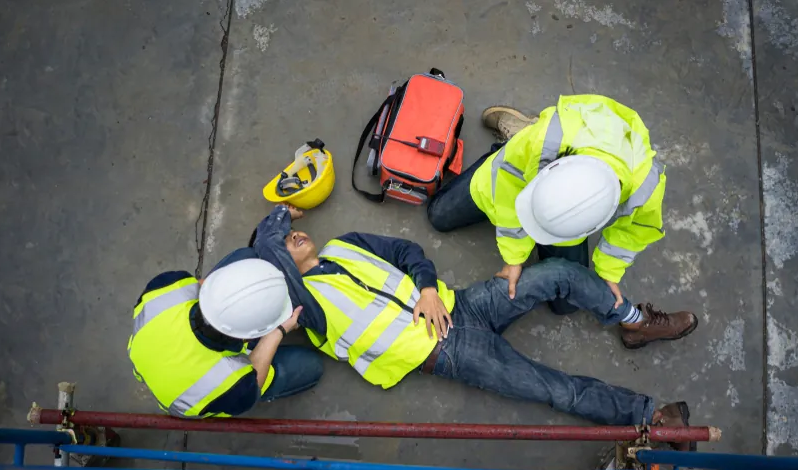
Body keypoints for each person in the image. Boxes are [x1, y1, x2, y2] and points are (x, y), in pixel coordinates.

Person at [251, 204, 697, 450]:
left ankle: (634, 322)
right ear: (280, 268)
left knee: (557, 272)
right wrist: (276, 223)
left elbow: (406, 250)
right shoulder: (303, 309)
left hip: (463, 304)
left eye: (292, 232)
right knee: (556, 390)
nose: (294, 236)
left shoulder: (344, 246)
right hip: (450, 354)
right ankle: (653, 417)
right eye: (285, 243)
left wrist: (426, 289)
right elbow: (277, 255)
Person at [427, 95, 695, 349]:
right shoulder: (543, 142)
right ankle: (517, 136)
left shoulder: (646, 183)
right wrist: (514, 258)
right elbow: (507, 195)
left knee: (566, 305)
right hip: (520, 161)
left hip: (560, 176)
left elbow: (634, 232)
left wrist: (609, 272)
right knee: (439, 215)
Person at [128, 246, 324, 418]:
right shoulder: (230, 384)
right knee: (311, 366)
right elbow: (253, 382)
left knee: (246, 256)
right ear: (250, 336)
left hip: (152, 355)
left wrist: (242, 293)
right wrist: (278, 331)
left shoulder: (166, 286)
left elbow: (202, 285)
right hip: (188, 399)